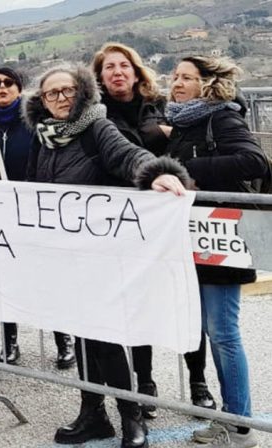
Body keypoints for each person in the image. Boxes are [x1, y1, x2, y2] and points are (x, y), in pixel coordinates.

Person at [23, 64, 189, 448]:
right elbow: (31, 189)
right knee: (82, 336)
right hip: (63, 256)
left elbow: (127, 155)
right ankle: (92, 413)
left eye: (67, 91)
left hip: (100, 254)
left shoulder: (98, 126)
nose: (61, 99)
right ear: (42, 102)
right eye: (52, 94)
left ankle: (131, 417)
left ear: (82, 93)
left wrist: (156, 174)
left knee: (105, 338)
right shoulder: (42, 139)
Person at [93, 42, 216, 420]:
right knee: (139, 305)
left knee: (184, 298)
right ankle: (144, 383)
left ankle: (198, 382)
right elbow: (113, 157)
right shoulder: (95, 116)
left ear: (136, 71)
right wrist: (155, 138)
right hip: (126, 221)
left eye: (124, 65)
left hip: (171, 220)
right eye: (109, 67)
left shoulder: (163, 105)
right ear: (99, 77)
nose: (117, 72)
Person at [164, 56, 266, 448]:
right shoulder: (185, 122)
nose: (176, 83)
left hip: (223, 243)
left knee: (223, 333)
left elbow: (254, 159)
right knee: (213, 330)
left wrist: (189, 167)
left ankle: (239, 426)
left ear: (207, 84)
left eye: (186, 77)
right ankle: (231, 417)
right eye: (174, 76)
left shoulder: (222, 117)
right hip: (198, 242)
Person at [0, 66, 77, 369]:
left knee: (49, 279)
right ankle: (10, 342)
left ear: (19, 89)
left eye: (9, 83)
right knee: (4, 281)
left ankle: (63, 340)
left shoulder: (35, 123)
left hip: (35, 213)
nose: (2, 88)